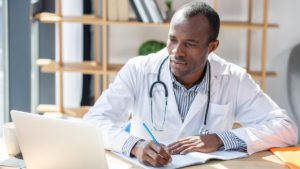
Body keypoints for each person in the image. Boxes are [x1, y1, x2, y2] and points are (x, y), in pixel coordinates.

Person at [84, 1, 298, 167]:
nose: (177, 51)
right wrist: (134, 145)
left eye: (190, 43)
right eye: (173, 39)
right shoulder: (139, 70)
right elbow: (94, 121)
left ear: (212, 46)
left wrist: (221, 139)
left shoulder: (233, 78)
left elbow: (286, 129)